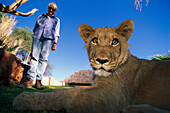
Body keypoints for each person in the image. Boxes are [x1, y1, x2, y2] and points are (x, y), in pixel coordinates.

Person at [18, 2, 60, 90]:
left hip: (48, 39)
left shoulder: (56, 20)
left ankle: (38, 81)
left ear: (55, 10)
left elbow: (56, 33)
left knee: (43, 59)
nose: (51, 10)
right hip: (37, 37)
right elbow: (35, 28)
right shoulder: (41, 17)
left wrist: (55, 43)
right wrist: (34, 39)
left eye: (53, 9)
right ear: (48, 8)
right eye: (50, 8)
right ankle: (29, 80)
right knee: (34, 58)